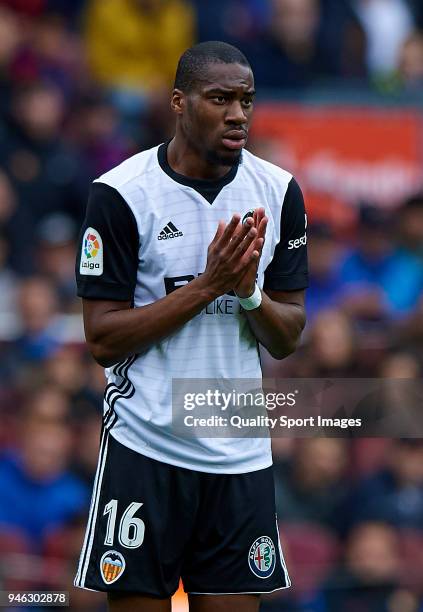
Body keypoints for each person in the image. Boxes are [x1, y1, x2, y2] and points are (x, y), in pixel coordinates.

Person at [74, 41, 308, 612]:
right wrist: (208, 285)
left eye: (246, 101)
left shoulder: (278, 192)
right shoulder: (121, 195)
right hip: (145, 449)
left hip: (239, 459)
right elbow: (102, 338)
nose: (237, 115)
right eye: (220, 98)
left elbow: (287, 334)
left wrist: (248, 291)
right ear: (179, 102)